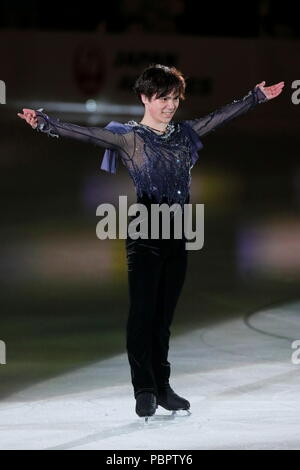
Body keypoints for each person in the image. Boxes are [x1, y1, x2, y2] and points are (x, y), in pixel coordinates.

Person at [17, 65, 284, 420]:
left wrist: (256, 97)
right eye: (163, 98)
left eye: (175, 98)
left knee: (163, 318)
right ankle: (143, 388)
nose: (170, 105)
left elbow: (219, 117)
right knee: (143, 314)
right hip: (145, 235)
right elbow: (85, 133)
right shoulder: (129, 138)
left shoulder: (185, 133)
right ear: (145, 97)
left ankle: (163, 387)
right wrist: (44, 123)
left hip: (177, 236)